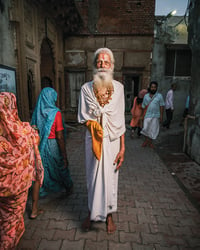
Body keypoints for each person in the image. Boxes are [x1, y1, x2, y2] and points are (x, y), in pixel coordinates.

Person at [78, 48, 126, 234]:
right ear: (95, 65)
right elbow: (83, 118)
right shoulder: (85, 89)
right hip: (93, 141)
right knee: (92, 178)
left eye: (106, 62)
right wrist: (96, 127)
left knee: (111, 179)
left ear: (111, 66)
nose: (102, 65)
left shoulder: (119, 89)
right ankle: (91, 213)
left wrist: (122, 148)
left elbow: (121, 121)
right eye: (99, 61)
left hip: (113, 142)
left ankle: (109, 216)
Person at [0, 92, 44, 249]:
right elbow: (36, 140)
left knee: (3, 218)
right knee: (12, 220)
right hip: (18, 187)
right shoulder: (25, 132)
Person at [31, 87, 73, 197]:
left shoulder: (37, 112)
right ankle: (68, 187)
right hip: (53, 144)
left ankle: (44, 188)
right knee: (60, 165)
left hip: (40, 144)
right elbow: (59, 136)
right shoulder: (55, 113)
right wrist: (64, 155)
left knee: (43, 166)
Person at [140, 81, 165, 148]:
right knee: (145, 129)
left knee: (153, 130)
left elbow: (162, 106)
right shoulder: (146, 96)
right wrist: (142, 116)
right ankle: (146, 140)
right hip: (147, 115)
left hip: (155, 116)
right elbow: (143, 106)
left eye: (154, 87)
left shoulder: (159, 96)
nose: (153, 88)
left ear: (156, 88)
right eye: (152, 87)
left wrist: (161, 116)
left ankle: (150, 142)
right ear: (150, 88)